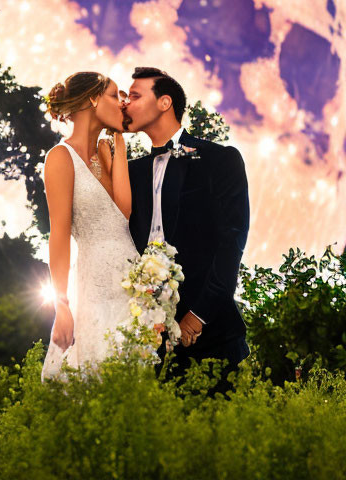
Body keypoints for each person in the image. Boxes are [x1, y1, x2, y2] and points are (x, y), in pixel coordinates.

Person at [123, 66, 250, 395]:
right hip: (145, 337)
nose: (126, 104)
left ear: (164, 102)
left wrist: (198, 315)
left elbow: (231, 242)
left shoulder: (219, 159)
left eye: (135, 96)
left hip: (212, 337)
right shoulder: (128, 172)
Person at [40, 71, 139, 382]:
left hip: (131, 281)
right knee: (95, 372)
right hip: (94, 283)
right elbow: (58, 236)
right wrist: (62, 305)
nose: (122, 103)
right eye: (114, 95)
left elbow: (122, 214)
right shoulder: (60, 157)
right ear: (94, 98)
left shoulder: (107, 153)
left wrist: (119, 145)